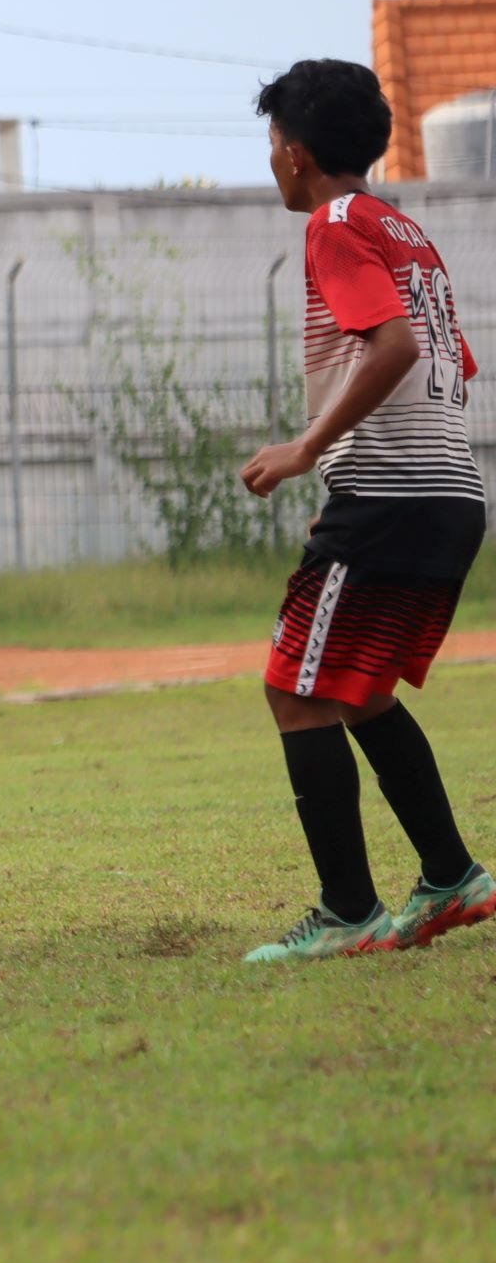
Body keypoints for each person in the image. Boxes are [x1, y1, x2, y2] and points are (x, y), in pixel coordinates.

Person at [237, 58, 493, 962]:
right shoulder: (403, 230)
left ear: (298, 155)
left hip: (397, 501)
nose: (270, 162)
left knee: (293, 690)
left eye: (271, 145)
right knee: (360, 691)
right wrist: (360, 474)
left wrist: (311, 450)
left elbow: (391, 347)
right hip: (446, 497)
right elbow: (452, 363)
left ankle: (347, 914)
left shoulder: (334, 227)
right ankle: (452, 877)